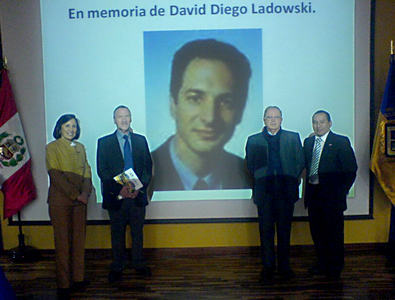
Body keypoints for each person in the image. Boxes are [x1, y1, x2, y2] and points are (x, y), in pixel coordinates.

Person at [151, 39, 252, 191]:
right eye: (195, 98)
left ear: (240, 111)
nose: (210, 118)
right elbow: (117, 196)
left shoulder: (250, 176)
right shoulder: (140, 167)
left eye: (226, 102)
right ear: (173, 104)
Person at [245, 106, 304, 281]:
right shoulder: (253, 140)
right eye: (269, 117)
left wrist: (289, 178)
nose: (272, 120)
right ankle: (268, 267)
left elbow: (300, 162)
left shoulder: (292, 138)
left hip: (286, 193)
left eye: (276, 117)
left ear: (281, 119)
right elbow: (250, 166)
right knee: (266, 232)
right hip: (265, 194)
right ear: (264, 119)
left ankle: (285, 266)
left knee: (285, 232)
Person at [97, 105, 153, 283]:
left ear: (131, 118)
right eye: (119, 117)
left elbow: (147, 167)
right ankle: (118, 266)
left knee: (137, 232)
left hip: (137, 195)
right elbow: (102, 171)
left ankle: (139, 264)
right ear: (114, 120)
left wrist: (138, 187)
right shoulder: (104, 142)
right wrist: (119, 189)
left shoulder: (140, 140)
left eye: (126, 116)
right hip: (116, 196)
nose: (123, 120)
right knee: (117, 233)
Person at [304, 110, 357, 280]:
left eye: (321, 122)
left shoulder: (340, 141)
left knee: (334, 235)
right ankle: (321, 264)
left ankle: (335, 268)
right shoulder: (308, 141)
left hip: (333, 199)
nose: (318, 125)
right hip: (313, 196)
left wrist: (341, 191)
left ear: (330, 123)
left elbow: (350, 170)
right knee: (317, 234)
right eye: (315, 122)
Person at [46, 114, 92, 297]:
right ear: (59, 128)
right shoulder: (52, 147)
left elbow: (87, 172)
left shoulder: (81, 147)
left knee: (79, 241)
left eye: (74, 126)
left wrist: (85, 193)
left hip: (80, 201)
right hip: (60, 201)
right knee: (63, 243)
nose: (71, 129)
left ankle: (78, 279)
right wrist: (76, 195)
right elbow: (56, 177)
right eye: (67, 126)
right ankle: (64, 284)